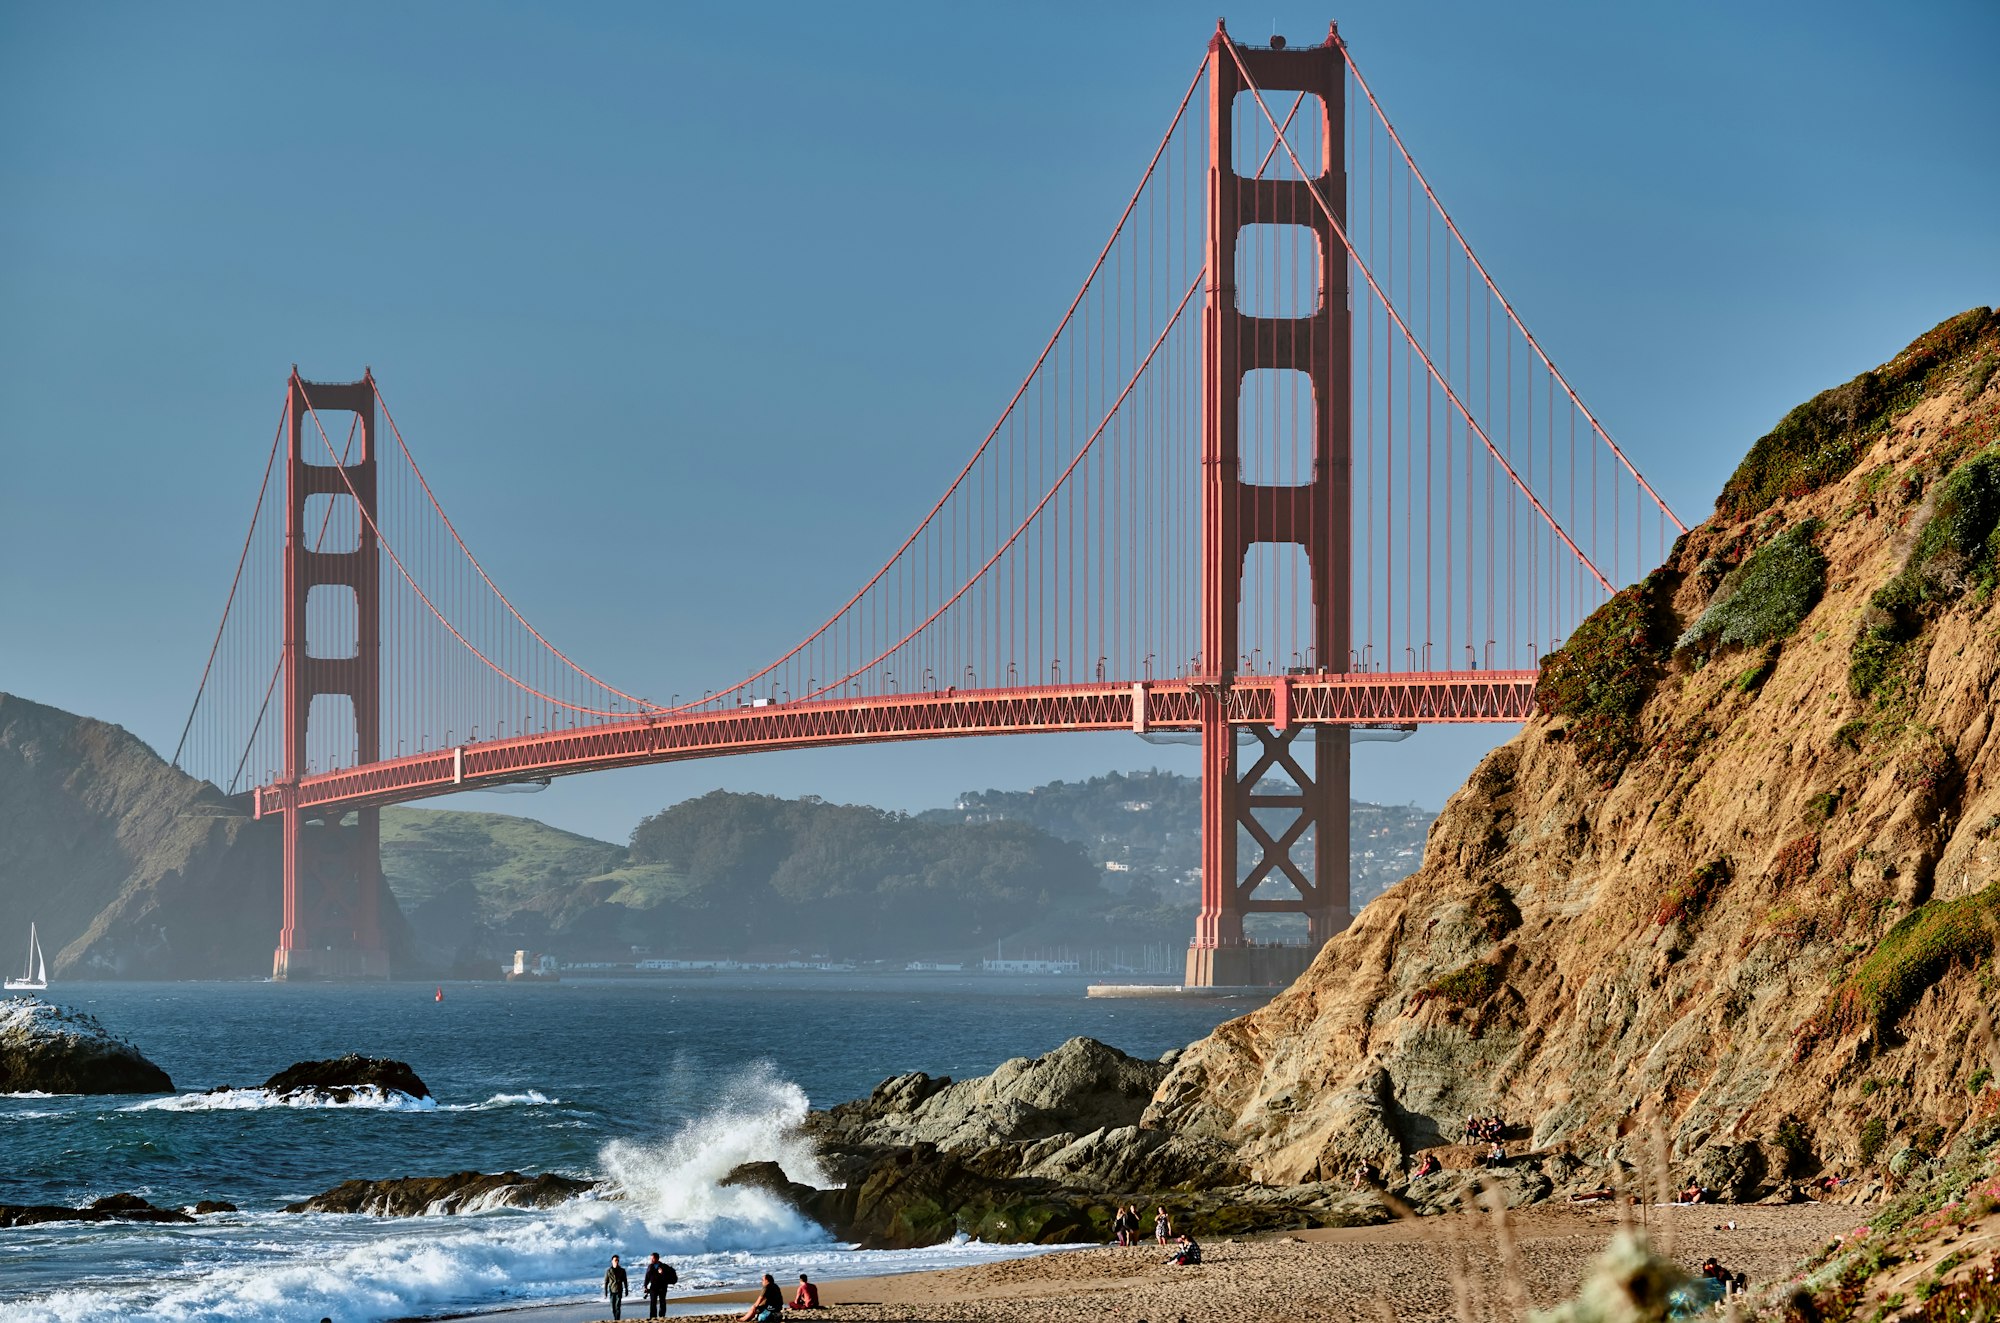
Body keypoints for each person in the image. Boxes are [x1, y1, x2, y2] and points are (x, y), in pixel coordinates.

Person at [642, 1252, 676, 1318]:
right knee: (653, 1303)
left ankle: (662, 1316)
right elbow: (647, 1277)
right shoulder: (650, 1266)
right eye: (651, 1259)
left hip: (662, 1287)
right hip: (653, 1287)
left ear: (657, 1259)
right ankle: (653, 1317)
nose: (651, 1260)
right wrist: (645, 1286)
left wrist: (662, 1273)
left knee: (662, 1302)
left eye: (653, 1259)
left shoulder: (664, 1266)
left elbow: (667, 1278)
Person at [602, 1255, 629, 1321]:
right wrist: (605, 1293)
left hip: (619, 1290)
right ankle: (615, 1318)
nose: (616, 1261)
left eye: (617, 1260)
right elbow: (606, 1282)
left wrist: (626, 1290)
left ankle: (617, 1320)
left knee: (617, 1306)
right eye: (615, 1260)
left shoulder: (622, 1270)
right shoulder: (608, 1271)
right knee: (613, 1308)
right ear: (612, 1261)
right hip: (612, 1290)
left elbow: (625, 1281)